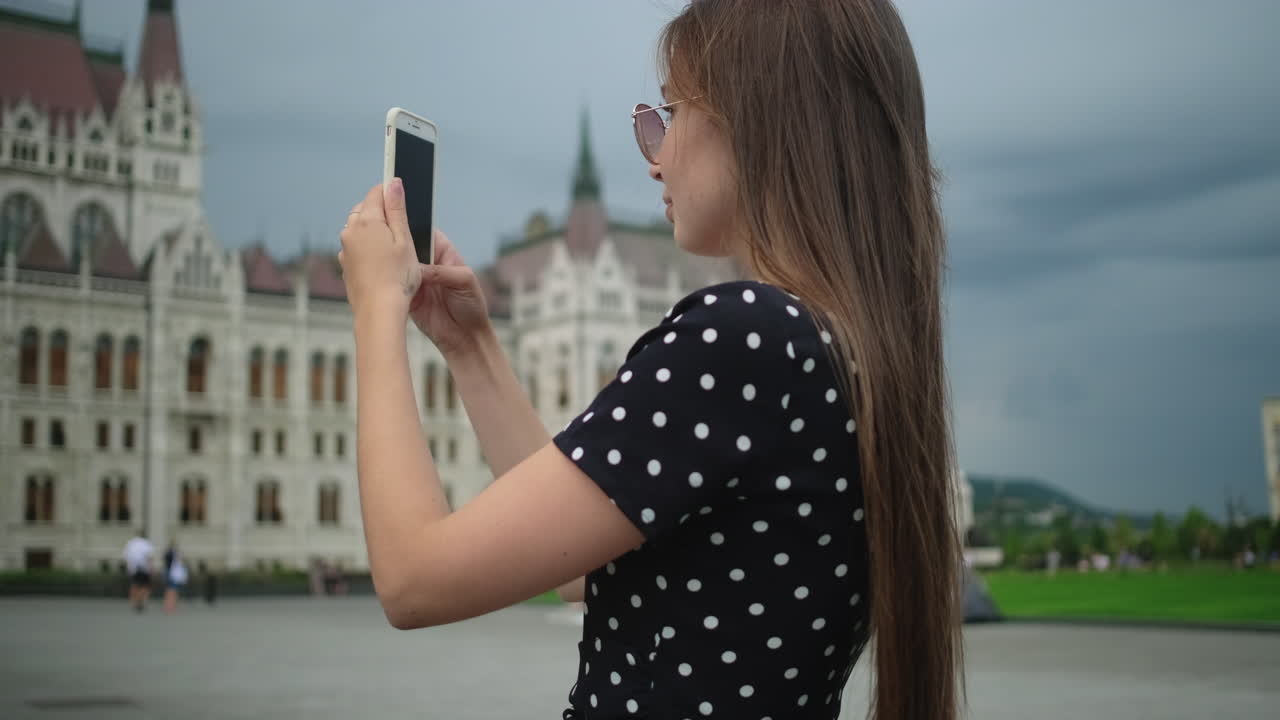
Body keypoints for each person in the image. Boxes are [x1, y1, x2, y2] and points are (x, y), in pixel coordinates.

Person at [336, 1, 961, 717]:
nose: (654, 153)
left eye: (669, 111)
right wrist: (469, 346)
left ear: (754, 119)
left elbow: (414, 578)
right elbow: (581, 568)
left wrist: (376, 312)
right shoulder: (841, 349)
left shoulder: (745, 338)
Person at [122, 529, 155, 613]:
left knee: (134, 585)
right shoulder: (146, 544)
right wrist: (151, 569)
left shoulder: (131, 543)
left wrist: (128, 568)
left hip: (133, 568)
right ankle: (142, 601)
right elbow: (149, 558)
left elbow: (126, 557)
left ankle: (134, 602)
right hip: (144, 569)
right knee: (145, 586)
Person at [163, 543, 188, 615]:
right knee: (172, 591)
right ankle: (170, 606)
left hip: (172, 575)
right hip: (173, 575)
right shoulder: (173, 556)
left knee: (171, 591)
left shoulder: (169, 555)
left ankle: (170, 606)